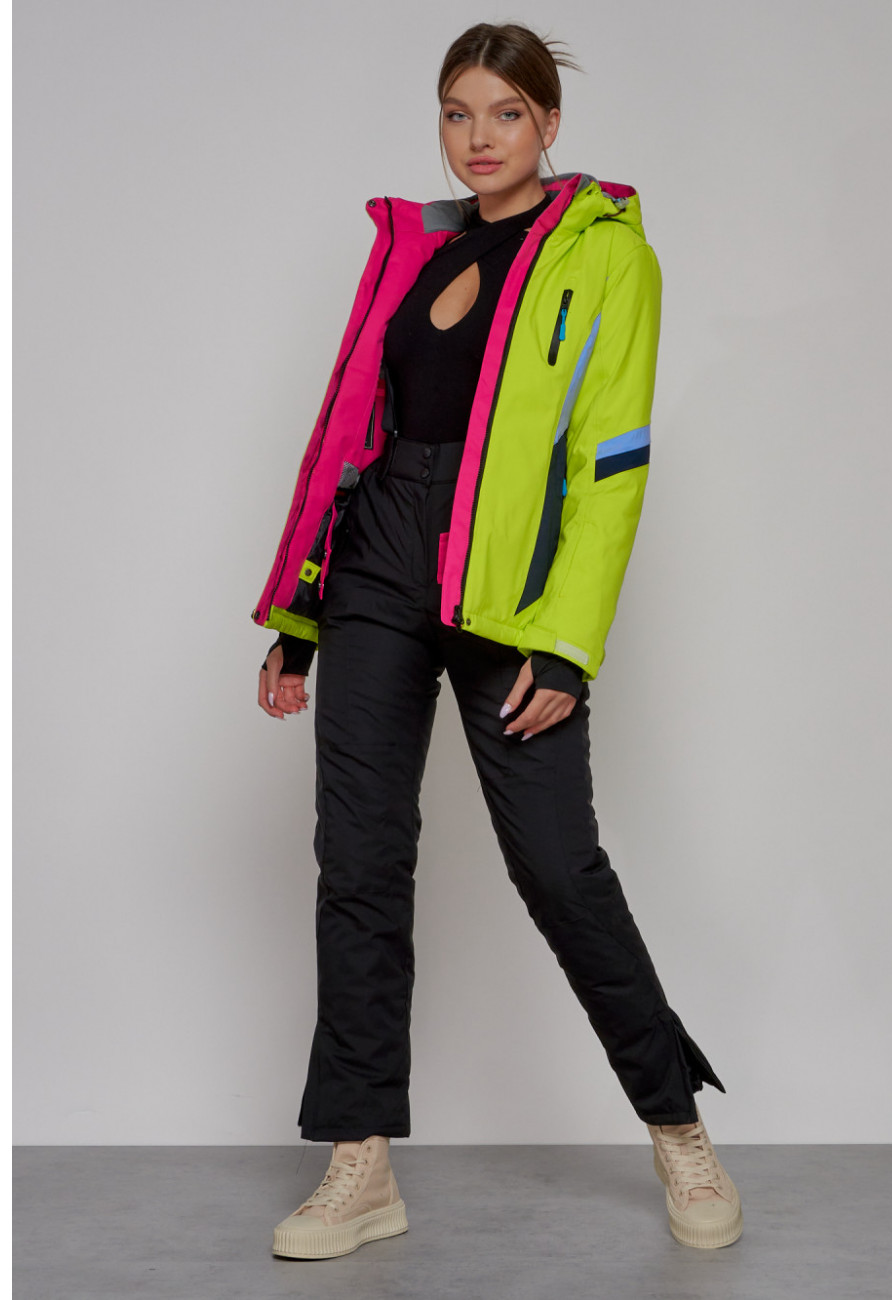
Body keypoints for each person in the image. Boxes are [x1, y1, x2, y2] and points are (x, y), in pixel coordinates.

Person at [253, 21, 743, 1261]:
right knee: (358, 860)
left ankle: (677, 1122)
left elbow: (612, 461)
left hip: (510, 592)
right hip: (376, 564)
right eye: (458, 113)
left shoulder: (606, 254)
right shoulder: (410, 248)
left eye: (506, 113)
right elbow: (346, 433)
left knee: (558, 865)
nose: (479, 138)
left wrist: (566, 646)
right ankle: (359, 1159)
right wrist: (301, 615)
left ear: (549, 123)